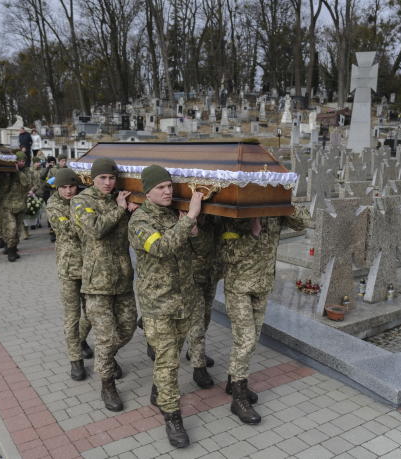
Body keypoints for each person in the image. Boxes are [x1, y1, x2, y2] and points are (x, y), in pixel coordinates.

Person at [128, 165, 203, 448]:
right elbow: (160, 248)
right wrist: (190, 219)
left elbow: (194, 251)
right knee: (169, 361)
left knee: (168, 359)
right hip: (158, 304)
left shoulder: (176, 214)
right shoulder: (139, 221)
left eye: (170, 186)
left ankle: (159, 389)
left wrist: (193, 230)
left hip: (184, 300)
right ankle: (173, 417)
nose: (168, 191)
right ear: (147, 191)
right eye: (161, 187)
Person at [220, 206, 310, 425]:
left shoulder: (275, 210)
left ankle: (233, 381)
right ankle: (238, 397)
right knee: (246, 339)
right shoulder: (235, 214)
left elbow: (303, 222)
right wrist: (253, 233)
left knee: (251, 338)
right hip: (239, 287)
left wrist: (283, 200)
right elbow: (228, 254)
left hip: (263, 285)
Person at [71, 158, 137, 412]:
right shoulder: (81, 201)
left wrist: (131, 211)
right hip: (97, 281)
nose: (108, 183)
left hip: (122, 278)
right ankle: (107, 384)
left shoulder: (120, 199)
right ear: (92, 179)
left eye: (111, 178)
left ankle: (104, 357)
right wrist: (120, 209)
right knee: (106, 335)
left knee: (129, 328)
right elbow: (95, 229)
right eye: (102, 178)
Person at [46, 168, 93, 381]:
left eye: (72, 186)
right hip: (68, 269)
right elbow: (72, 229)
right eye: (63, 187)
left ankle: (80, 339)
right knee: (72, 317)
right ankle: (75, 360)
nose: (68, 191)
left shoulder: (84, 200)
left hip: (91, 266)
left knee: (92, 313)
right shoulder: (53, 206)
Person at [185, 215, 222, 389]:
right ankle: (198, 367)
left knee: (205, 317)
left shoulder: (215, 217)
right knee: (197, 322)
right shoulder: (187, 214)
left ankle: (194, 351)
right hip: (192, 276)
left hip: (211, 273)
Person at [0, 151, 31, 261]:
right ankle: (10, 251)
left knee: (17, 230)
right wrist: (10, 172)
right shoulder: (7, 172)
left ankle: (13, 247)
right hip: (8, 205)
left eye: (23, 161)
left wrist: (18, 172)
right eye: (19, 161)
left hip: (21, 205)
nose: (21, 163)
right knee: (11, 228)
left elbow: (26, 184)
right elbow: (3, 186)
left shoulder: (26, 171)